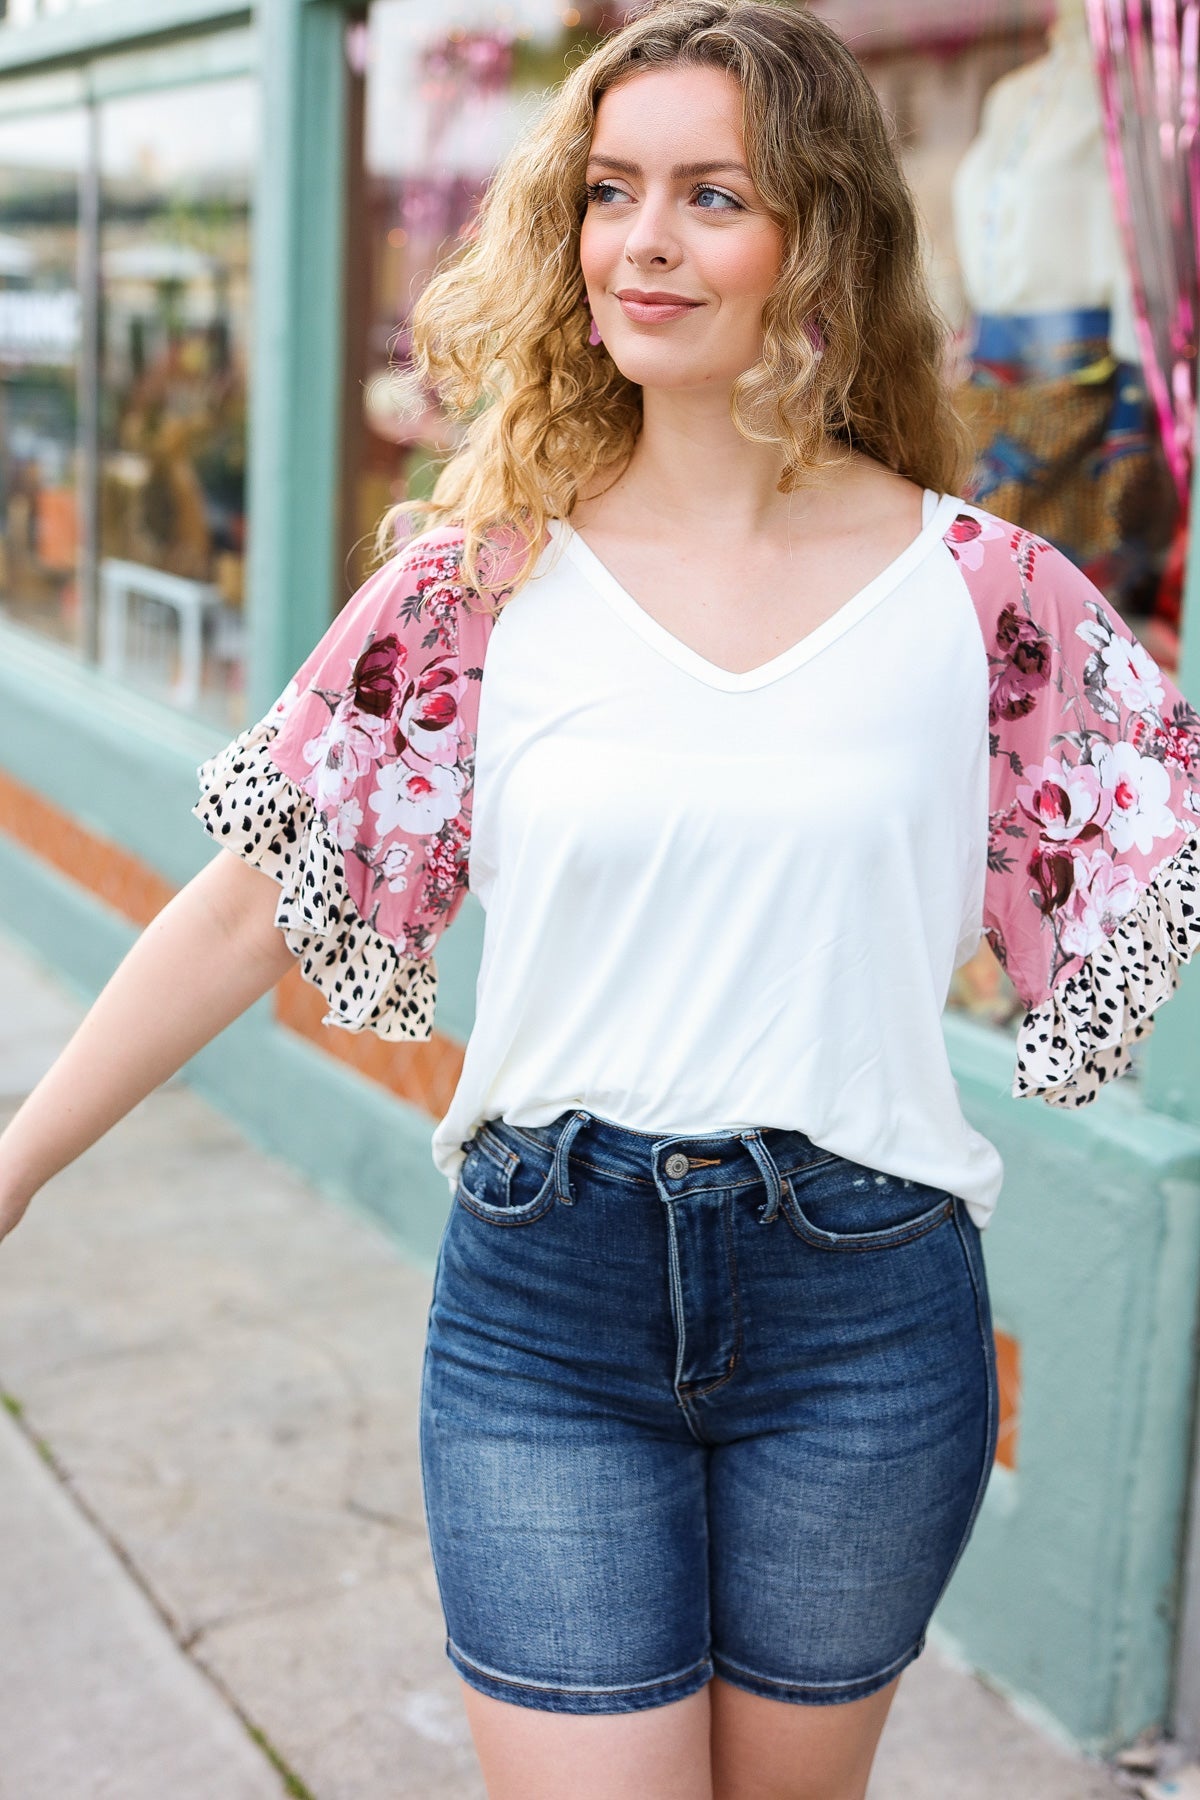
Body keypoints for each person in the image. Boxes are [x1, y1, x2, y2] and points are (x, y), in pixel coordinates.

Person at [2, 5, 1197, 1797]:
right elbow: (254, 906)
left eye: (713, 194)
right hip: (543, 1309)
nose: (646, 239)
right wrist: (12, 1167)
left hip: (864, 1319)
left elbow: (1147, 853)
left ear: (820, 237)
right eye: (612, 190)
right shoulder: (477, 587)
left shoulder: (995, 605)